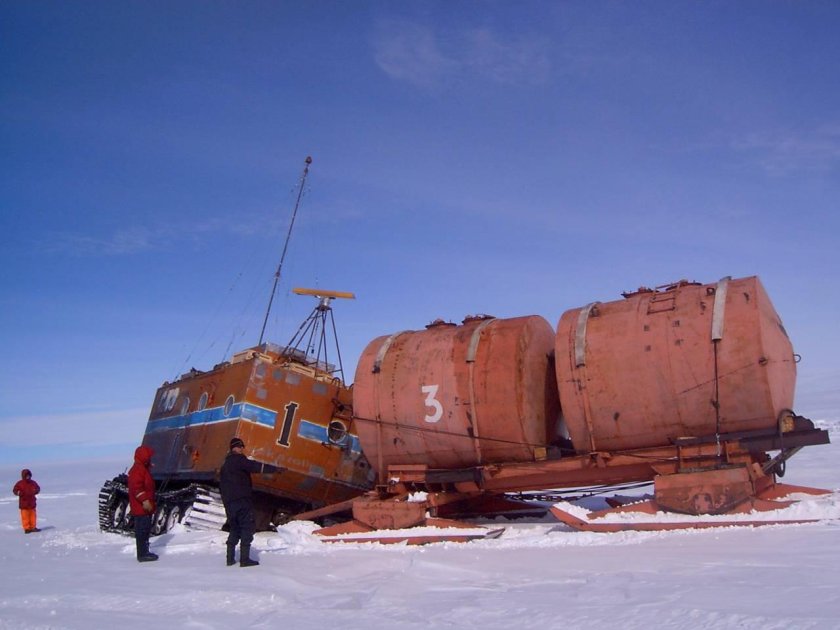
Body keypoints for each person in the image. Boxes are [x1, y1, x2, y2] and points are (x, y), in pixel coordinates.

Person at [219, 437, 263, 567]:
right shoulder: (239, 460)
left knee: (234, 528)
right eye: (241, 447)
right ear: (237, 448)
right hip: (242, 500)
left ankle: (229, 559)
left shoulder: (225, 465)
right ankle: (244, 559)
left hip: (229, 502)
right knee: (246, 527)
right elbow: (255, 466)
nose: (242, 449)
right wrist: (275, 469)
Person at [127, 445, 159, 562]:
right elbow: (137, 488)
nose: (150, 459)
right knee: (142, 530)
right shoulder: (138, 471)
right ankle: (142, 554)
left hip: (144, 508)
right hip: (141, 508)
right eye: (148, 457)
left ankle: (145, 551)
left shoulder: (142, 469)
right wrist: (145, 500)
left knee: (145, 530)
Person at [12, 469, 41, 533]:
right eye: (26, 476)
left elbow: (38, 488)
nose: (28, 477)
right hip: (24, 503)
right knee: (25, 517)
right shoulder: (20, 483)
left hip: (32, 502)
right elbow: (15, 490)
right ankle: (27, 528)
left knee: (33, 516)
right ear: (23, 476)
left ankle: (33, 527)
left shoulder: (33, 482)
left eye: (29, 475)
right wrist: (19, 493)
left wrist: (36, 491)